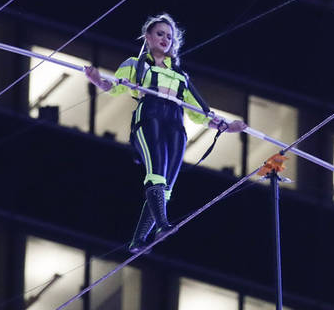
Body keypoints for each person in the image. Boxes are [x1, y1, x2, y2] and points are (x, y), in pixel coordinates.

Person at [85, 13, 246, 252]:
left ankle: (139, 240)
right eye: (160, 34)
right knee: (156, 173)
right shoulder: (135, 64)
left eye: (169, 36)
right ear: (148, 38)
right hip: (150, 118)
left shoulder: (181, 76)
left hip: (175, 127)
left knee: (166, 187)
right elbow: (115, 87)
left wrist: (226, 126)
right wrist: (98, 80)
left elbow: (201, 113)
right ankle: (162, 224)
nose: (165, 39)